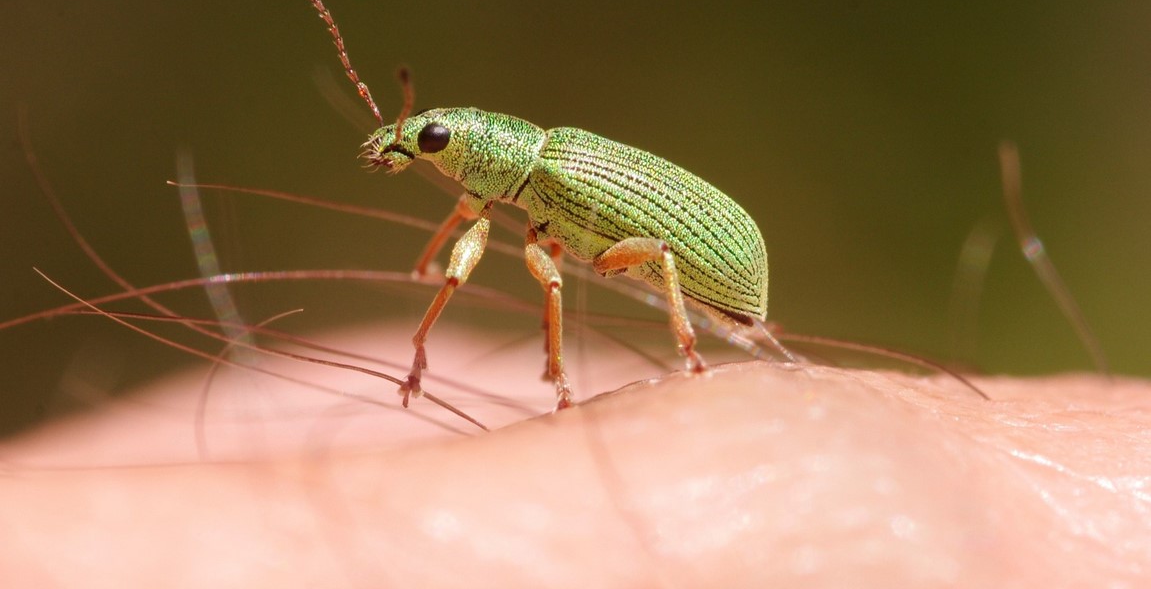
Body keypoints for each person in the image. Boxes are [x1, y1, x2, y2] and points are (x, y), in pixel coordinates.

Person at [2, 321, 1148, 587]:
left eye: (433, 139)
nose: (411, 148)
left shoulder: (546, 179)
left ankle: (690, 347)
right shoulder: (503, 189)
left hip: (700, 257)